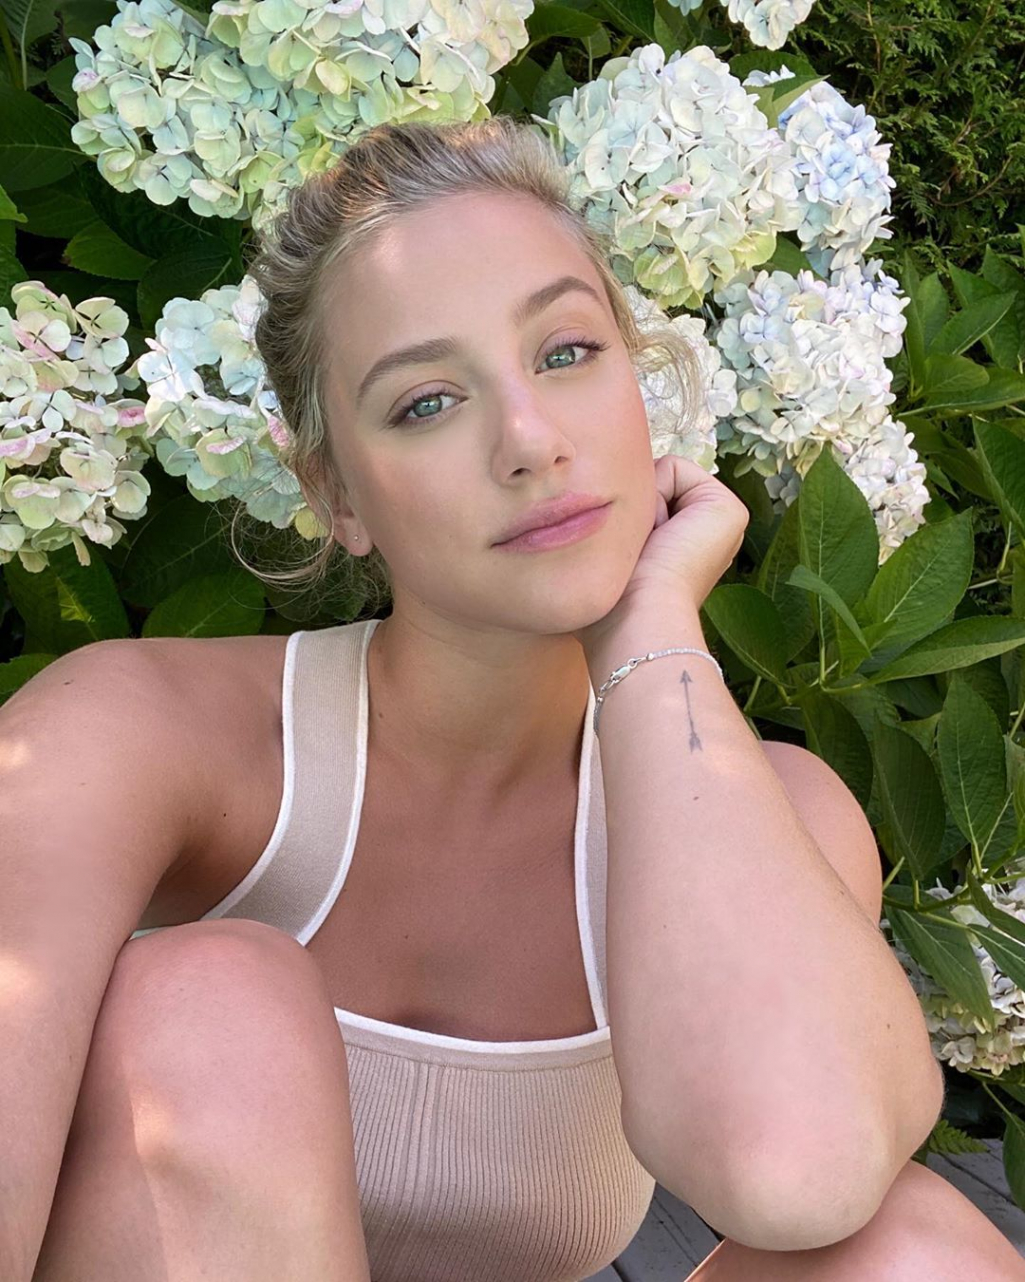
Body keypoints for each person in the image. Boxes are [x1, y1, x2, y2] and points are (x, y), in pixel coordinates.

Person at [6, 115, 1025, 1282]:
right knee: (209, 1000)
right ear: (335, 494)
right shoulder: (135, 734)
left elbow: (799, 1168)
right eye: (425, 402)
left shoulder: (769, 820)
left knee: (908, 1254)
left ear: (642, 389)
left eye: (566, 352)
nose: (530, 442)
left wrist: (652, 635)